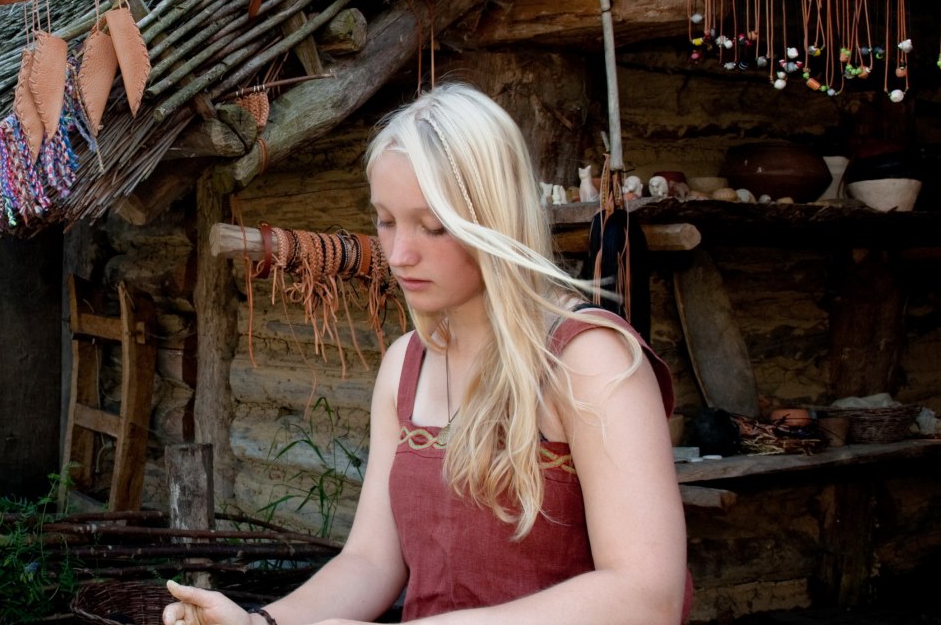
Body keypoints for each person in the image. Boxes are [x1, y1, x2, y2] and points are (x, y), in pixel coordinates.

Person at [163, 83, 691, 625]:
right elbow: (371, 560)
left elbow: (647, 597)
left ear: (495, 220)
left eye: (432, 226)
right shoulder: (405, 366)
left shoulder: (588, 361)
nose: (397, 254)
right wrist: (260, 623)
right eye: (385, 221)